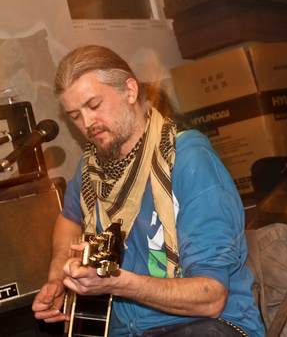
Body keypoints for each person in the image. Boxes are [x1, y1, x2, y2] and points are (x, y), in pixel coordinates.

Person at [32, 45, 265, 337]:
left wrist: (115, 282)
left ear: (130, 91)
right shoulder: (90, 170)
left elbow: (211, 298)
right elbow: (69, 218)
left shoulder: (189, 160)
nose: (87, 123)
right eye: (75, 115)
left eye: (94, 105)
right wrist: (57, 278)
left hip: (205, 326)